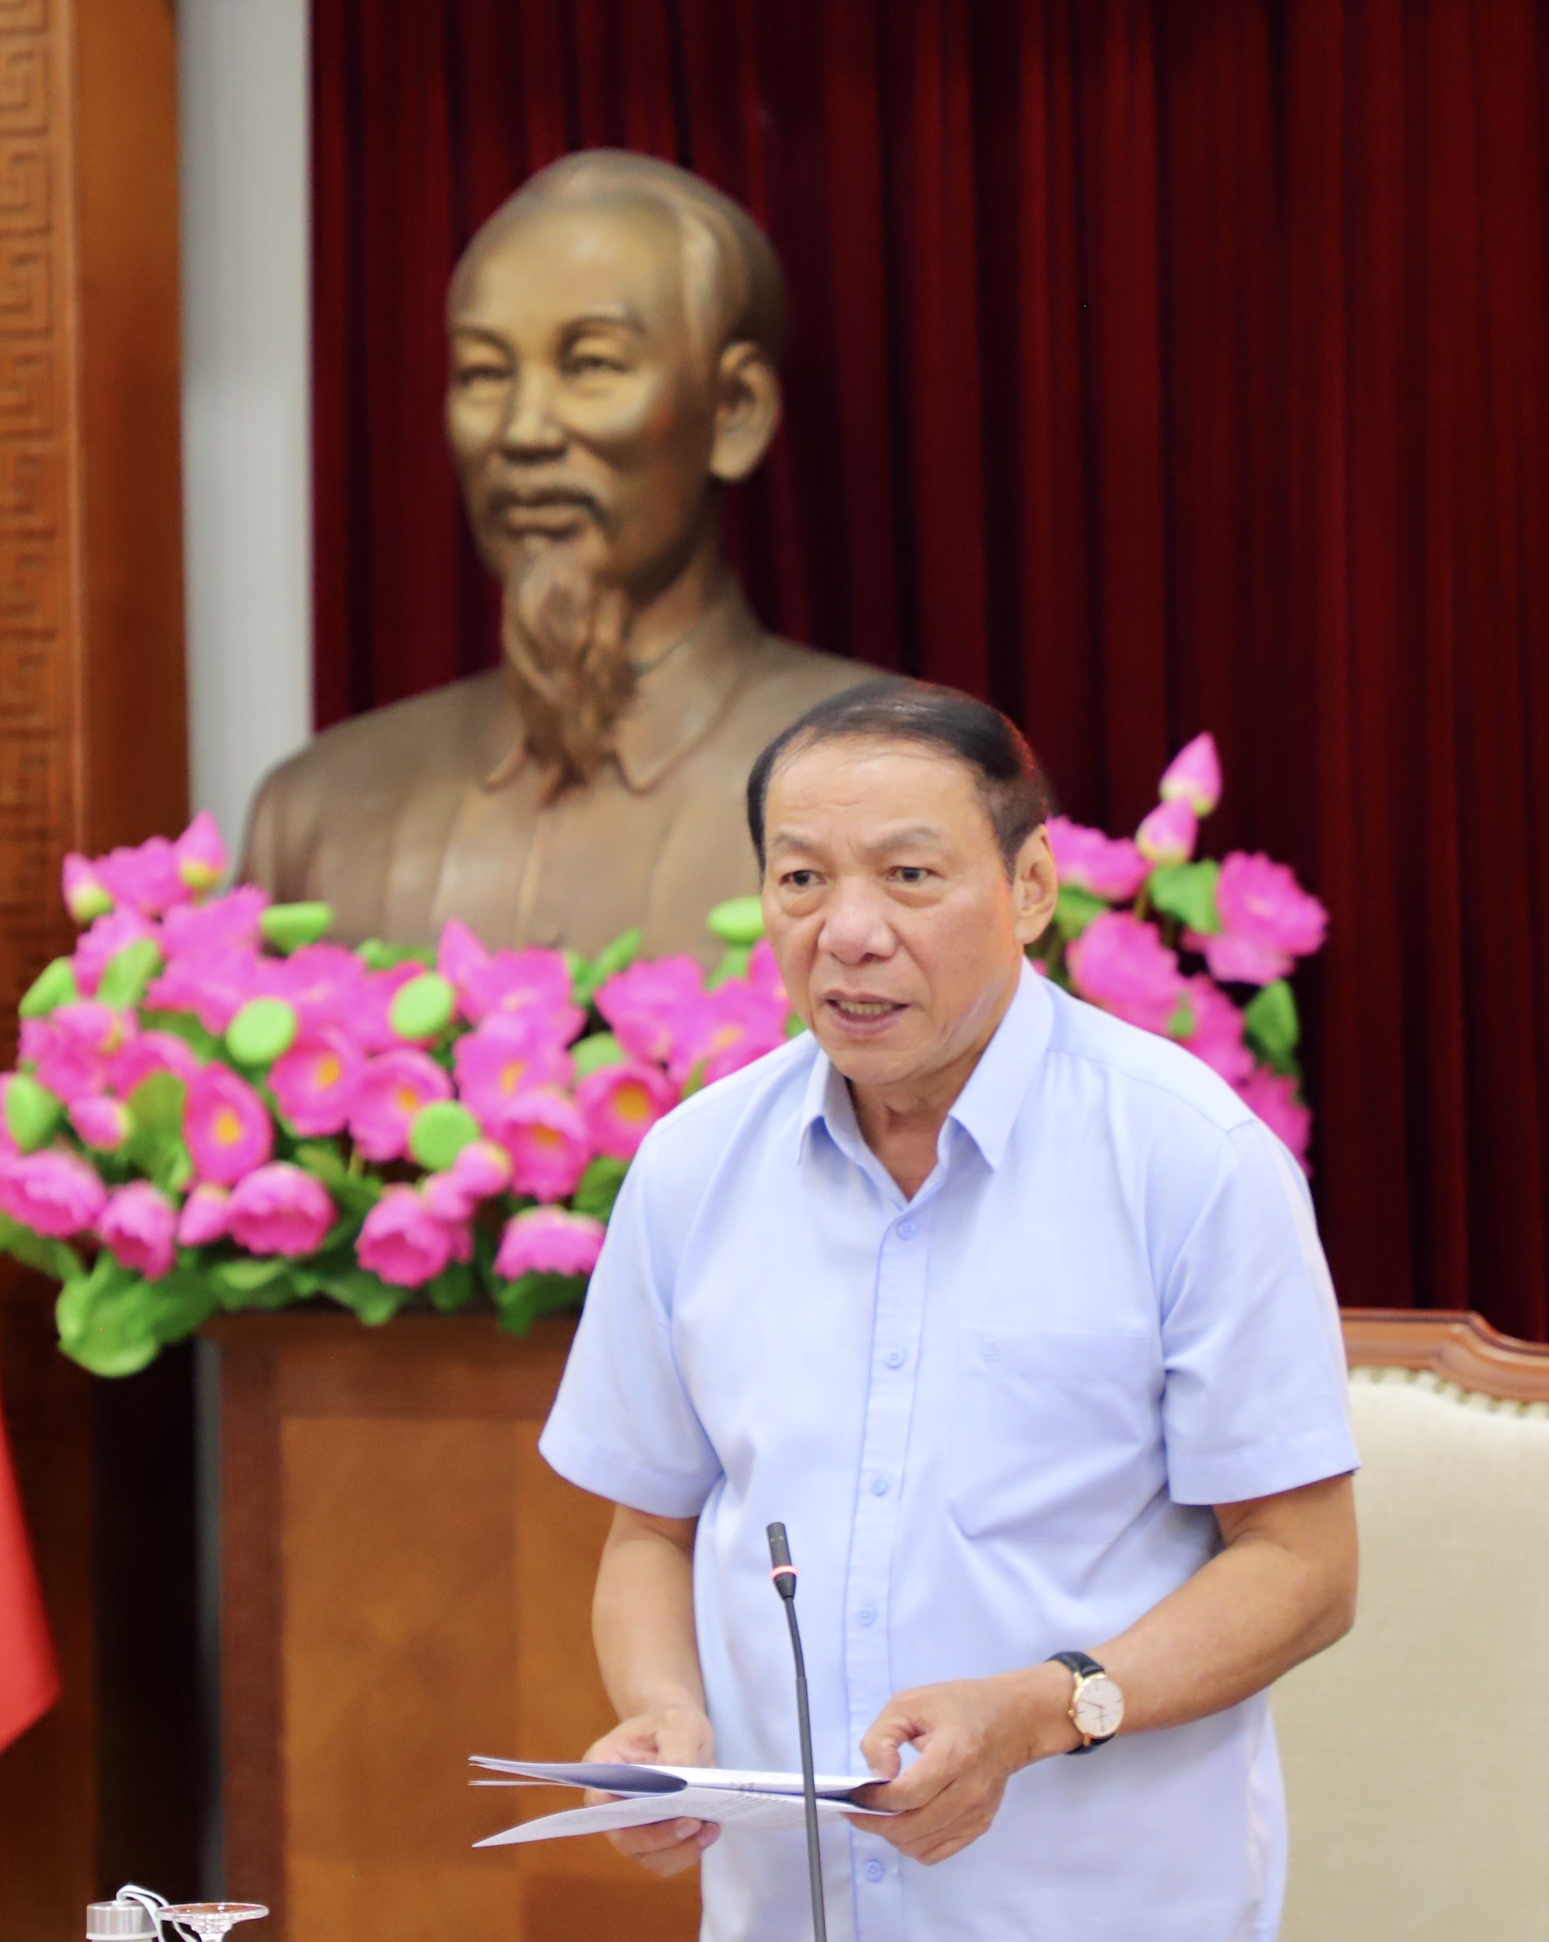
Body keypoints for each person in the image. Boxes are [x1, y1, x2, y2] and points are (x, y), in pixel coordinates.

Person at [540, 678, 1359, 1939]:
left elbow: (1303, 1568)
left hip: (1095, 1910)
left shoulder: (1185, 1158)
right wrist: (665, 1712)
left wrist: (1040, 1709)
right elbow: (649, 1529)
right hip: (786, 1910)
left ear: (1029, 887)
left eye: (909, 877)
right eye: (800, 880)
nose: (847, 931)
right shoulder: (695, 1167)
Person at [239, 149, 869, 959]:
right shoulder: (316, 815)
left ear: (734, 411)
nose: (524, 430)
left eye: (591, 365)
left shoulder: (906, 783)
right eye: (483, 373)